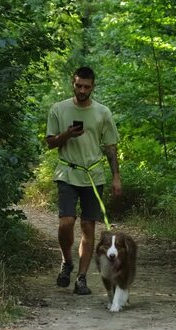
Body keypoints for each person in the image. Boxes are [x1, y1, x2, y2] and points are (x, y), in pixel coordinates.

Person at [45, 66, 122, 295]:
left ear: (93, 87)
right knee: (66, 222)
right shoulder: (58, 109)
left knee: (89, 227)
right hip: (67, 172)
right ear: (73, 83)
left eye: (86, 87)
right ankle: (67, 262)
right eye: (78, 85)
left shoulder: (103, 112)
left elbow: (110, 147)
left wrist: (116, 176)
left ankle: (81, 277)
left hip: (93, 175)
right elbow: (50, 142)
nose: (82, 90)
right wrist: (67, 134)